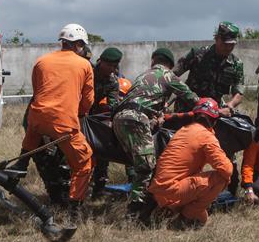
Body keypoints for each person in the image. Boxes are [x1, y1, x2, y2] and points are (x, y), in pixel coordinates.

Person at [10, 23, 94, 225]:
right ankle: (74, 209)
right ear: (79, 44)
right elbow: (88, 100)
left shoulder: (41, 61)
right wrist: (80, 114)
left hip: (37, 118)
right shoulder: (84, 65)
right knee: (84, 162)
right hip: (64, 122)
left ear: (63, 42)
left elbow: (38, 90)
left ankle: (21, 163)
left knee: (34, 132)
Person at [114, 47, 198, 220]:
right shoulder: (168, 75)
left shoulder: (142, 76)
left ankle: (147, 202)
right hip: (136, 119)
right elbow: (191, 97)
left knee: (138, 162)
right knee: (146, 167)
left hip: (119, 118)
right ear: (169, 64)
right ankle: (135, 213)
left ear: (153, 61)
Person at [149, 98, 233, 227]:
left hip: (160, 189)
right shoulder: (206, 136)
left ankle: (171, 211)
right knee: (222, 178)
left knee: (203, 219)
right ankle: (184, 217)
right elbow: (227, 170)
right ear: (214, 121)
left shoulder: (183, 130)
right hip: (172, 190)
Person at [173, 21, 245, 115]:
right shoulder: (197, 54)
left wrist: (230, 105)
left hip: (214, 113)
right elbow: (171, 76)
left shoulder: (236, 64)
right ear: (216, 38)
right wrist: (186, 94)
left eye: (232, 44)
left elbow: (239, 92)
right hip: (188, 109)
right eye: (225, 43)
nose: (228, 47)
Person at [90, 47, 123, 196]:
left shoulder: (112, 81)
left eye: (114, 66)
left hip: (93, 117)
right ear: (100, 61)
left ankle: (99, 187)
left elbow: (113, 105)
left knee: (102, 146)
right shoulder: (87, 71)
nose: (111, 69)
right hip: (76, 114)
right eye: (108, 65)